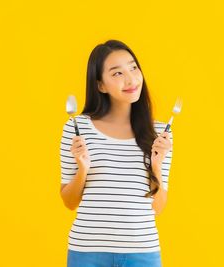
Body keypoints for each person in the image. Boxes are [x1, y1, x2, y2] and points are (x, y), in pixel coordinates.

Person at [60, 39, 173, 267]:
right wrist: (83, 169)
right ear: (100, 85)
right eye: (117, 73)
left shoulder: (159, 133)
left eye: (133, 68)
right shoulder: (77, 128)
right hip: (87, 252)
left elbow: (158, 208)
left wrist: (157, 167)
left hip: (142, 252)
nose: (131, 79)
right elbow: (69, 202)